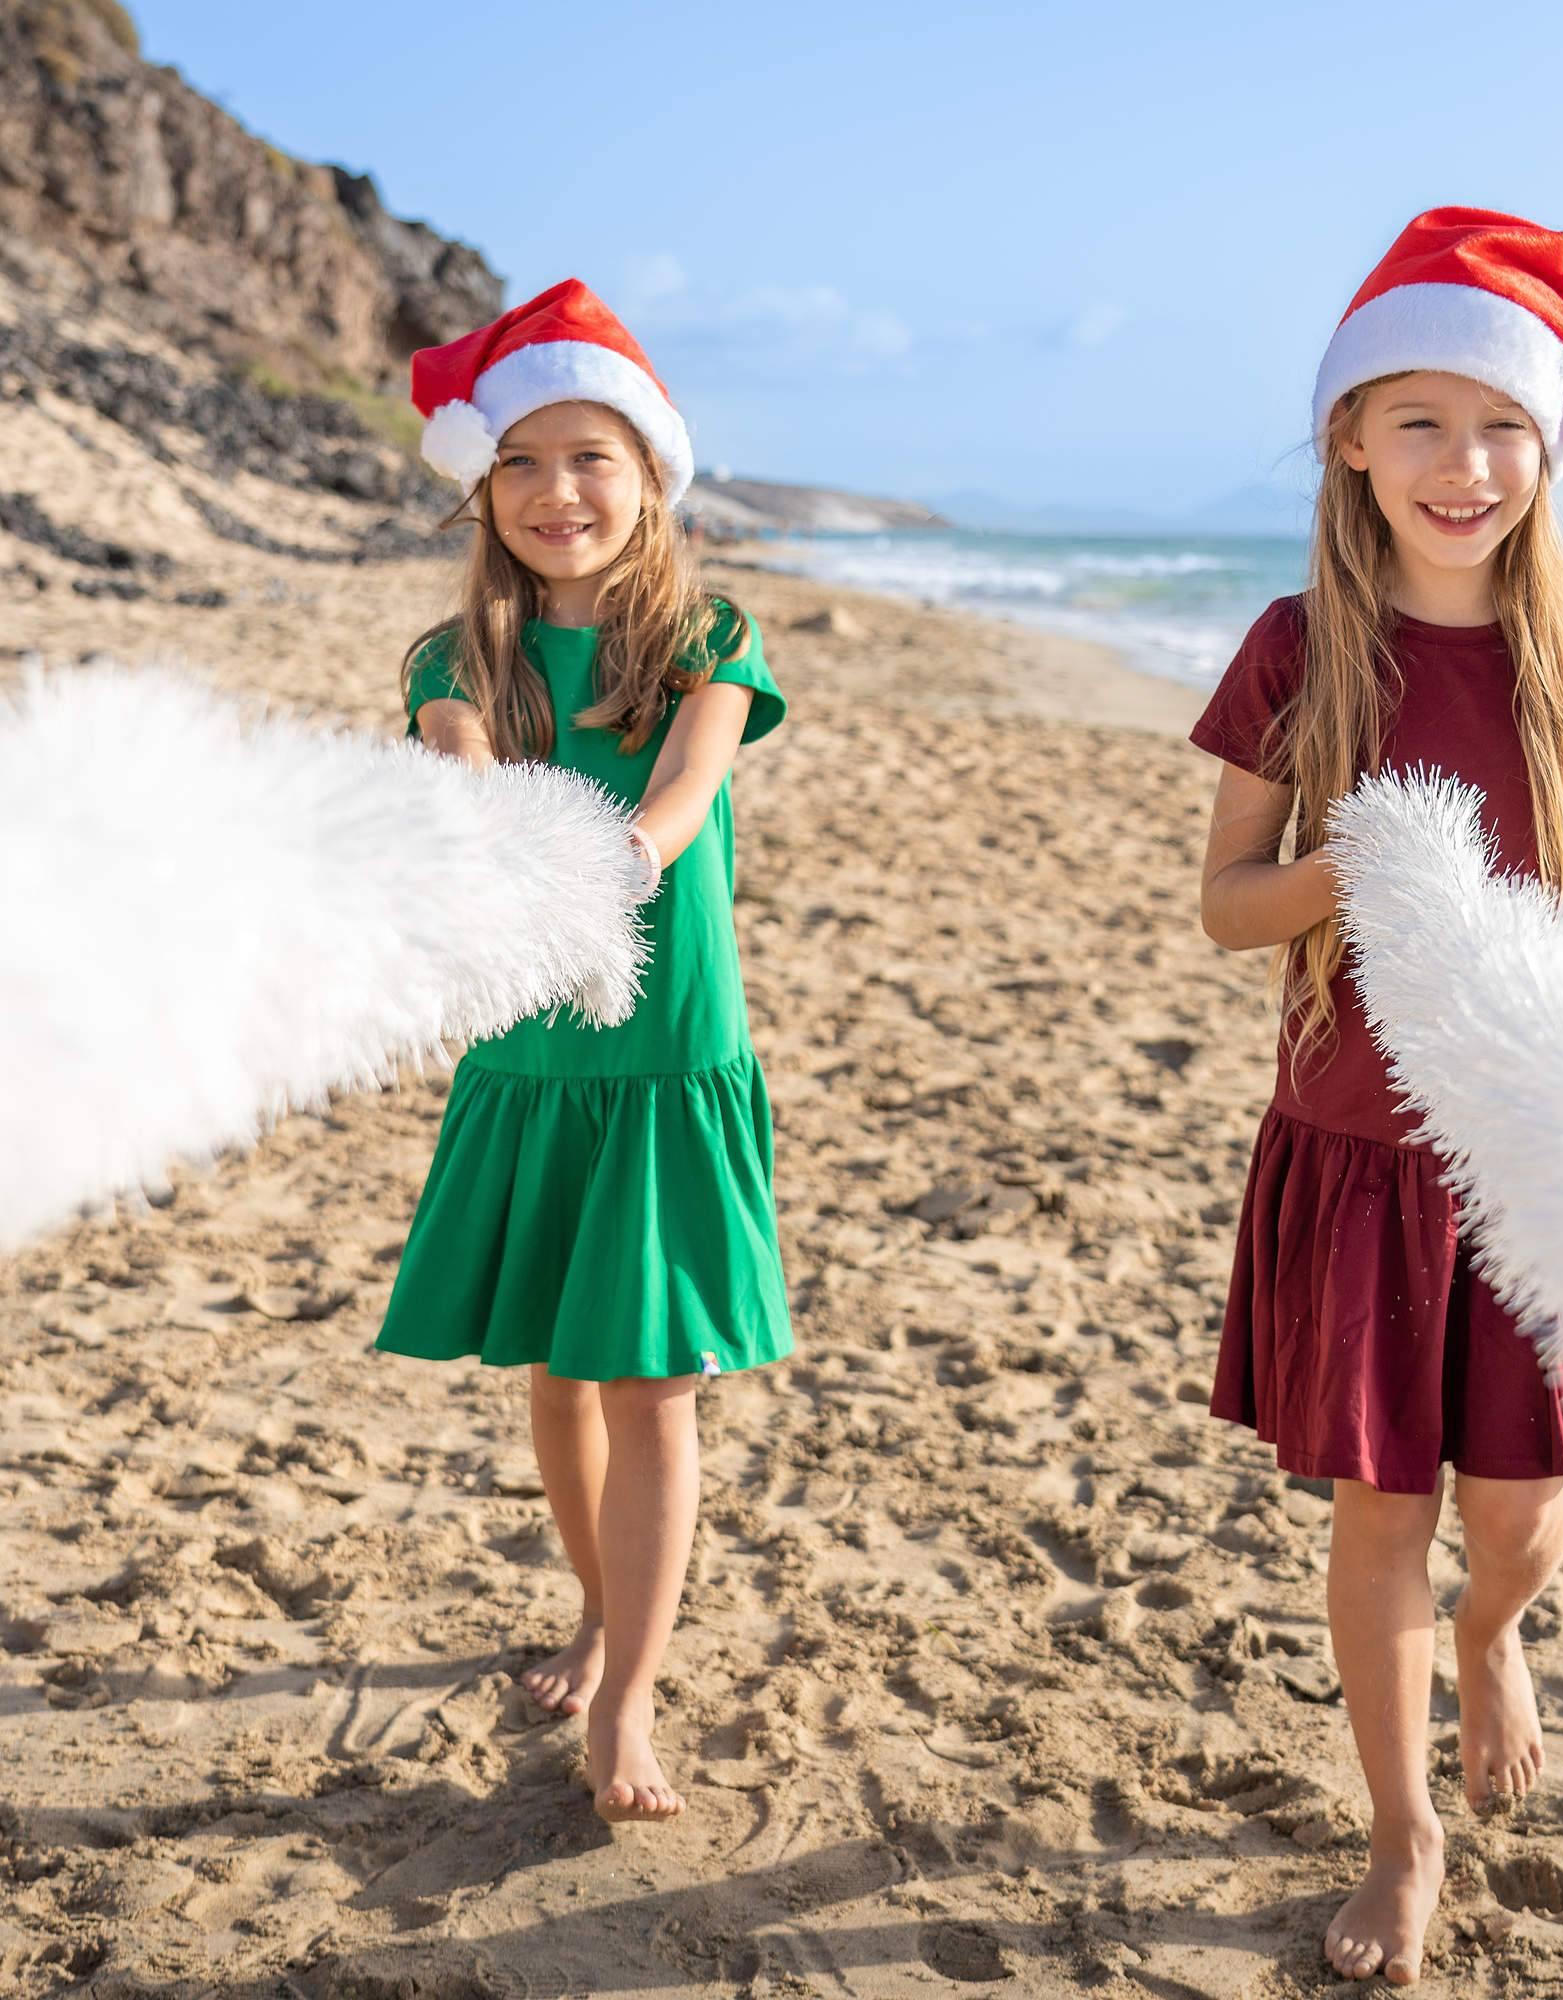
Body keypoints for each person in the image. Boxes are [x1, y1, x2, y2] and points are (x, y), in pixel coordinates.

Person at [1192, 209, 1563, 1984]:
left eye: (1500, 427)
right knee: (1383, 1504)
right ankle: (1401, 1836)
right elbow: (1226, 901)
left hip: (1539, 1147)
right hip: (1358, 1150)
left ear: (1549, 445)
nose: (1465, 464)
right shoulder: (1297, 645)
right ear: (1349, 442)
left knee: (1519, 1516)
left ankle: (1495, 1638)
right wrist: (1367, 864)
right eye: (1419, 421)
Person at [373, 279, 791, 1825]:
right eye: (528, 462)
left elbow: (684, 798)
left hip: (667, 1052)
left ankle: (630, 1698)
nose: (561, 493)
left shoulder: (708, 637)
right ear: (485, 485)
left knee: (654, 1384)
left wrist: (607, 862)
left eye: (594, 459)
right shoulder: (451, 659)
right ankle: (601, 1604)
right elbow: (467, 788)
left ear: (652, 477)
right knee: (558, 1374)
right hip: (533, 1063)